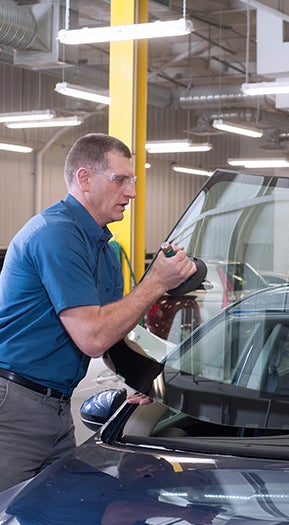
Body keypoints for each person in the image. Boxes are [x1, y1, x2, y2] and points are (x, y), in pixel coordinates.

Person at [0, 133, 196, 492]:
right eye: (120, 180)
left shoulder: (105, 249)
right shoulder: (56, 235)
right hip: (15, 406)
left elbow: (113, 334)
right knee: (8, 508)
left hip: (56, 408)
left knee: (55, 507)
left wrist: (146, 383)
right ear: (85, 179)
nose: (131, 193)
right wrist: (156, 282)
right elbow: (92, 337)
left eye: (132, 181)